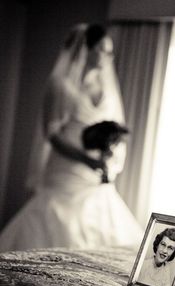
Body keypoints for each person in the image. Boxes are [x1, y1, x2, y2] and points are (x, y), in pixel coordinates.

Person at [0, 23, 143, 252]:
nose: (109, 56)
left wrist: (108, 154)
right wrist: (87, 160)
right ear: (87, 48)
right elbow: (52, 134)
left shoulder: (107, 88)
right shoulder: (60, 86)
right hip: (66, 171)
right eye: (104, 50)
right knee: (57, 223)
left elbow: (116, 127)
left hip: (95, 175)